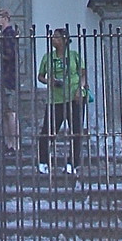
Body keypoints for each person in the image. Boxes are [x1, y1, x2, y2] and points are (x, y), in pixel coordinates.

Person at [37, 27, 87, 175]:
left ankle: (73, 163)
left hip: (74, 97)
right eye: (53, 37)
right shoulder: (48, 57)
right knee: (48, 131)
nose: (53, 39)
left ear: (65, 40)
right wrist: (48, 81)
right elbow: (40, 75)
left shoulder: (74, 55)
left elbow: (83, 74)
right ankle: (43, 161)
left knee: (76, 131)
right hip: (55, 99)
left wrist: (80, 88)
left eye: (57, 37)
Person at [0, 8, 20, 154]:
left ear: (5, 18)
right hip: (1, 77)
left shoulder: (9, 35)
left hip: (7, 77)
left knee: (9, 111)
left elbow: (10, 55)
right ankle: (9, 143)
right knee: (5, 112)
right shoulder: (2, 35)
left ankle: (13, 143)